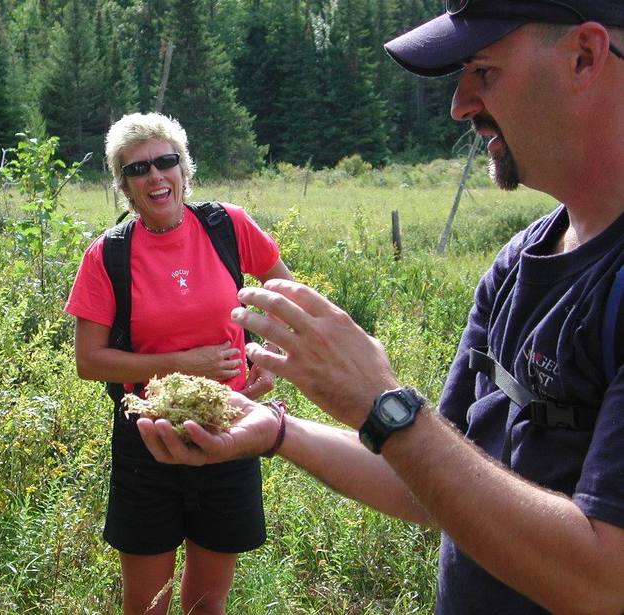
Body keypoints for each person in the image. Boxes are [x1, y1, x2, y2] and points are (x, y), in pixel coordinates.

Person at [136, 2, 624, 613]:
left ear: (584, 56)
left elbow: (607, 582)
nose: (460, 104)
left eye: (483, 70)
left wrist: (383, 406)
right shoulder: (523, 259)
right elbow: (432, 481)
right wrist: (280, 432)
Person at [64, 112, 292, 615]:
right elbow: (89, 361)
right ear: (122, 185)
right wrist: (182, 363)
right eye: (136, 169)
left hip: (229, 425)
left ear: (185, 169)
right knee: (146, 605)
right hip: (148, 434)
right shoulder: (108, 256)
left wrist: (268, 355)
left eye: (165, 162)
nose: (154, 176)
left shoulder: (227, 226)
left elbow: (283, 295)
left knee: (207, 604)